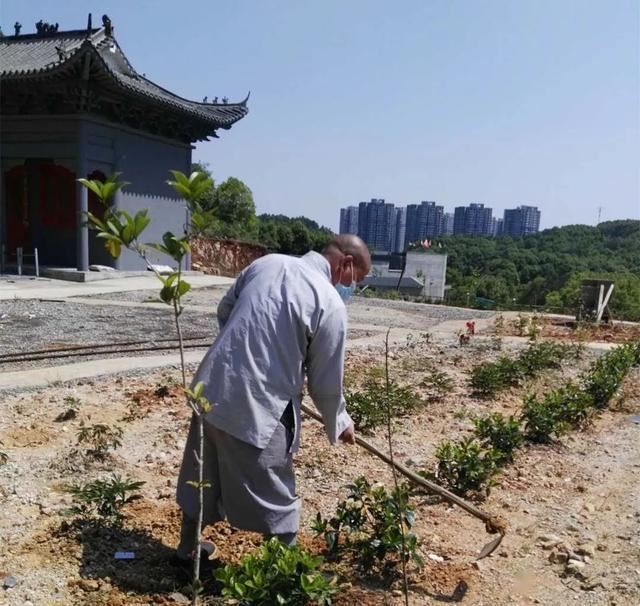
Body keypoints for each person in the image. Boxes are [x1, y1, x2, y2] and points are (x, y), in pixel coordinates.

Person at [174, 234, 372, 565]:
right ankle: (287, 576)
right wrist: (340, 420)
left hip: (211, 388)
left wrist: (245, 354)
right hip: (258, 405)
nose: (351, 286)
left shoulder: (267, 264)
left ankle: (186, 552)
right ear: (346, 263)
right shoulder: (328, 301)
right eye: (356, 279)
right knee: (277, 495)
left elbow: (226, 310)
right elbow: (325, 382)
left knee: (202, 474)